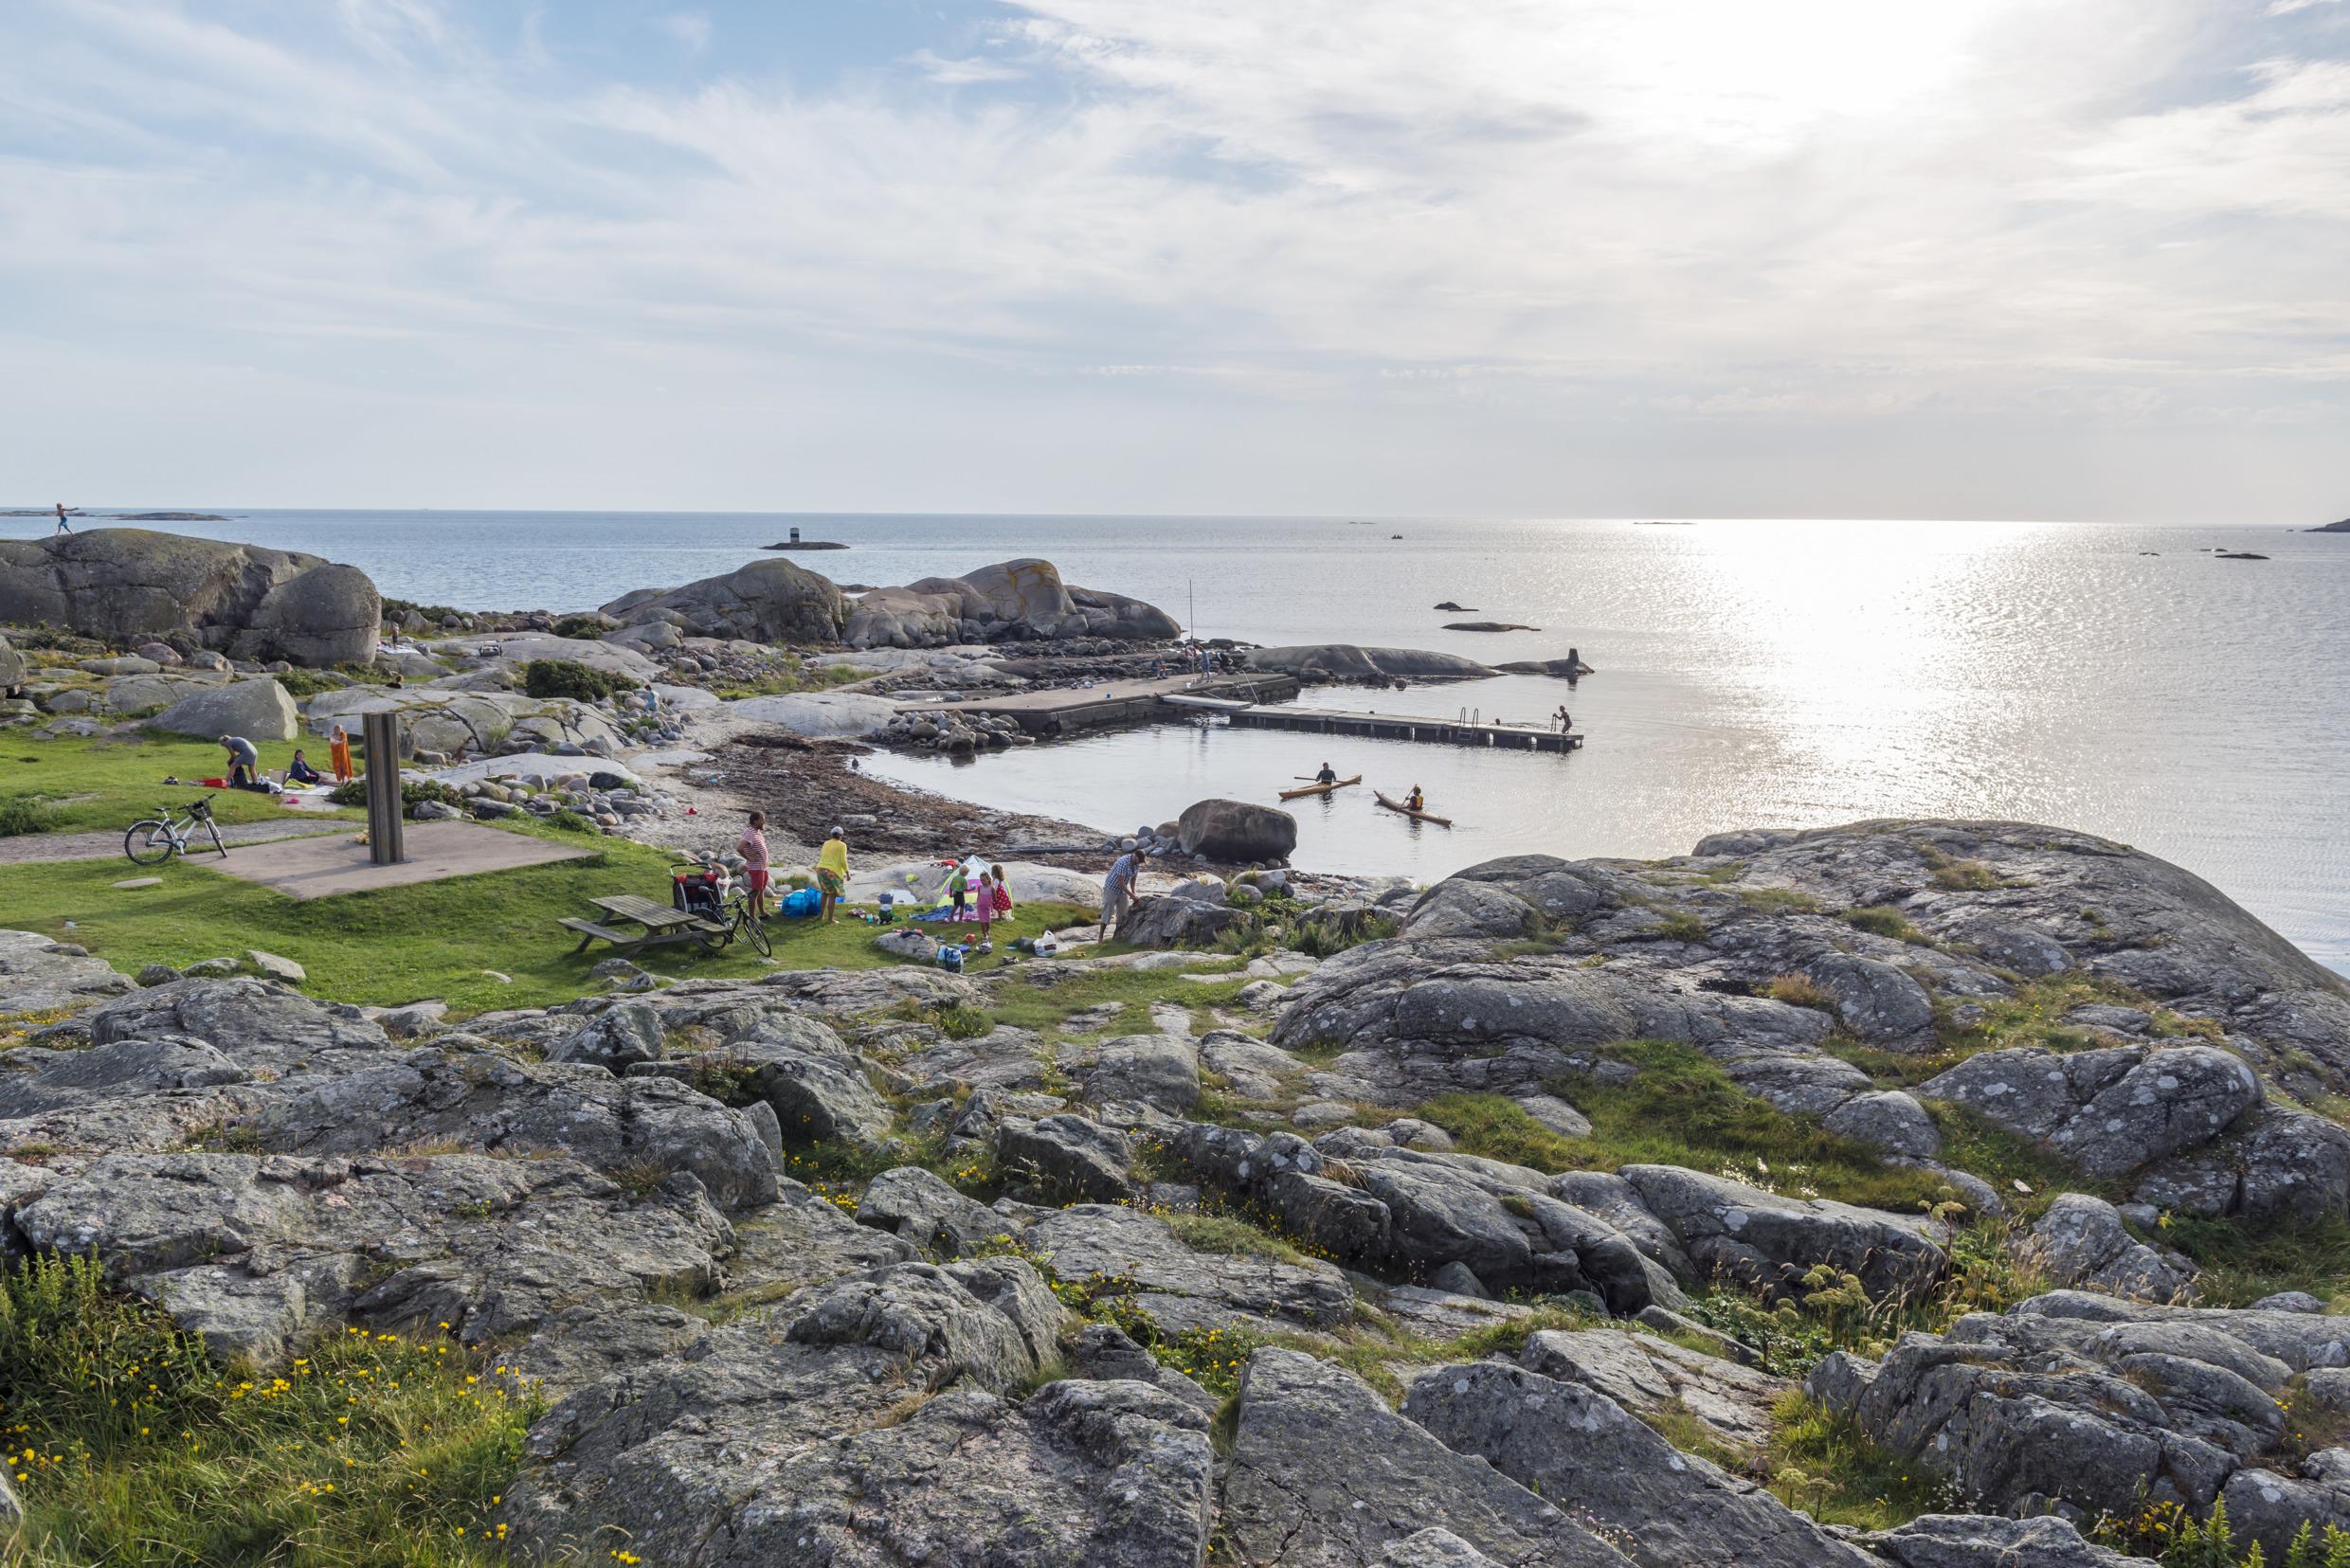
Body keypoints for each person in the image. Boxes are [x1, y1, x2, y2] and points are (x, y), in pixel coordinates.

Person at [1100, 843, 1140, 942]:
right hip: (1111, 888)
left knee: (1123, 915)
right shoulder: (1123, 862)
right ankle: (1100, 937)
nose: (1140, 863)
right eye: (1140, 860)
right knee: (1107, 914)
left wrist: (1133, 892)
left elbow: (1133, 878)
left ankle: (1116, 937)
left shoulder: (1136, 864)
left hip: (1122, 891)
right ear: (1135, 856)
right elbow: (1121, 883)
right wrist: (1131, 894)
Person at [737, 811, 771, 921]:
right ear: (755, 821)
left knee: (761, 890)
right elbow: (740, 848)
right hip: (756, 868)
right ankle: (751, 918)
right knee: (754, 892)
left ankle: (762, 913)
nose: (764, 821)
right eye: (762, 819)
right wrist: (749, 858)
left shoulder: (757, 832)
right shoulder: (750, 832)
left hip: (762, 867)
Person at [816, 826, 849, 925]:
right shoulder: (842, 845)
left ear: (831, 834)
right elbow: (843, 860)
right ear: (841, 836)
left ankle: (821, 916)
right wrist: (847, 872)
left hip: (820, 869)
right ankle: (830, 920)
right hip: (831, 872)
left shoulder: (826, 843)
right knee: (832, 895)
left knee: (824, 893)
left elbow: (822, 855)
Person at [973, 866, 995, 946]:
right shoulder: (979, 887)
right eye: (981, 880)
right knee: (982, 921)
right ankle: (984, 935)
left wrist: (993, 906)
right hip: (980, 907)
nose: (982, 881)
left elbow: (994, 898)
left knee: (987, 921)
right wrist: (977, 903)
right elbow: (978, 896)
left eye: (984, 880)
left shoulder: (991, 888)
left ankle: (988, 930)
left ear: (988, 879)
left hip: (988, 907)